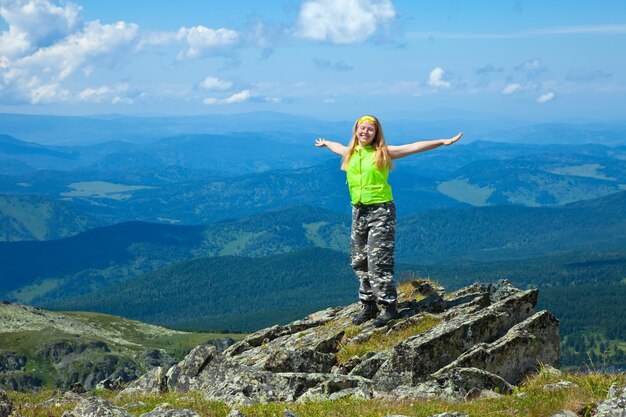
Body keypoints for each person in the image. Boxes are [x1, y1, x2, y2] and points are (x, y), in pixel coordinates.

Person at [315, 115, 462, 327]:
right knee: (359, 260)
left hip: (381, 212)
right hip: (358, 211)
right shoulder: (350, 153)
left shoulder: (383, 152)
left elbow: (413, 147)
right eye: (361, 129)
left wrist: (442, 142)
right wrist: (325, 143)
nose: (365, 132)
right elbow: (336, 146)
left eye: (370, 130)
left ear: (376, 134)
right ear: (356, 130)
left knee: (378, 261)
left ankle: (389, 307)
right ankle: (368, 304)